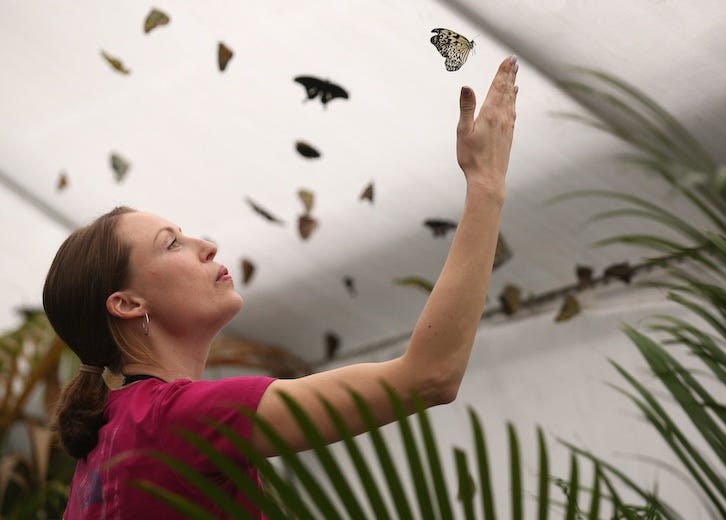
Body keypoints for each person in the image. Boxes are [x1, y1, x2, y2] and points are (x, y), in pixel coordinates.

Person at [43, 55, 519, 519]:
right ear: (127, 304)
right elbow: (430, 375)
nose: (206, 245)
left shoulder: (104, 451)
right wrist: (486, 184)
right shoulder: (178, 419)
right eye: (172, 245)